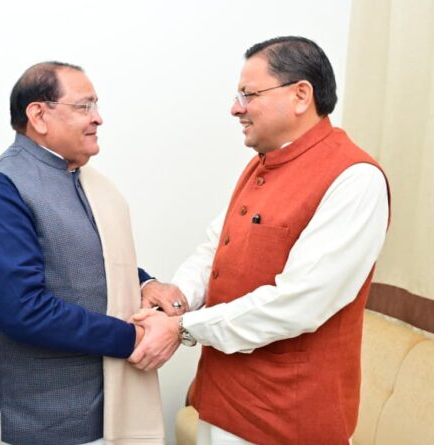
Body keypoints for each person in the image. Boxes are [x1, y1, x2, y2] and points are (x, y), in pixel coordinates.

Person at [131, 36, 391, 444]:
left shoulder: (355, 179)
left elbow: (299, 303)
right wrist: (176, 298)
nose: (236, 108)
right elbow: (216, 250)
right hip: (222, 402)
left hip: (288, 419)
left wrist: (181, 328)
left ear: (300, 95)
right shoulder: (261, 166)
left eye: (248, 95)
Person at [0, 61, 171, 445]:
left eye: (96, 105)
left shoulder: (84, 179)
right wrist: (135, 338)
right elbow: (24, 310)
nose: (98, 118)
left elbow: (87, 258)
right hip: (46, 420)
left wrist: (146, 284)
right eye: (84, 106)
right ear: (39, 116)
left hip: (106, 410)